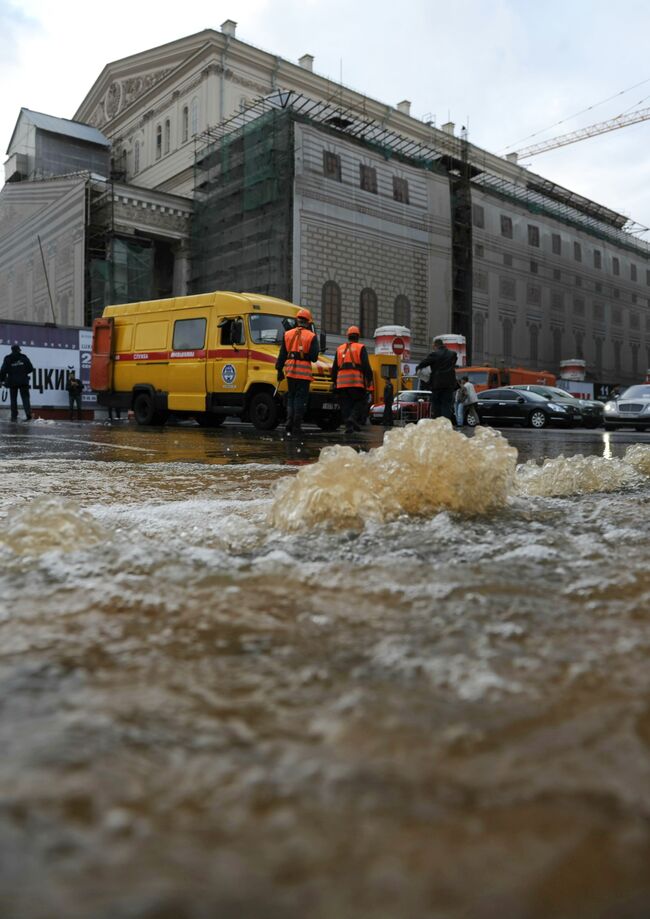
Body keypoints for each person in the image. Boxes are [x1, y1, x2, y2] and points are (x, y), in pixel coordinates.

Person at [276, 308, 319, 436]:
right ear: (308, 322)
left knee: (291, 397)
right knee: (300, 399)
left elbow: (282, 354)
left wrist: (279, 370)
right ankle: (296, 426)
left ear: (297, 320)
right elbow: (314, 357)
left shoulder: (287, 334)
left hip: (290, 372)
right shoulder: (311, 336)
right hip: (303, 373)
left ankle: (289, 423)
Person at [331, 326, 373, 434]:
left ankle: (349, 426)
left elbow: (335, 367)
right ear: (357, 337)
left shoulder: (340, 349)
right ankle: (352, 419)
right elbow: (366, 365)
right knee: (360, 401)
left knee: (346, 404)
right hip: (355, 381)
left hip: (341, 383)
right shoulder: (360, 347)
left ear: (348, 336)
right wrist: (369, 378)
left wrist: (334, 381)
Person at [415, 337, 458, 422]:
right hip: (449, 385)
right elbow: (454, 362)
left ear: (435, 346)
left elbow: (422, 363)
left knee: (436, 406)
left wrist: (418, 369)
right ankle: (446, 425)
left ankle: (438, 424)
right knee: (447, 406)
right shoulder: (453, 354)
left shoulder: (434, 355)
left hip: (437, 385)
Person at [0, 343, 34, 422]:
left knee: (13, 399)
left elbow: (3, 371)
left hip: (12, 381)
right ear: (19, 350)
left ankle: (14, 416)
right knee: (25, 398)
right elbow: (31, 368)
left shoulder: (8, 358)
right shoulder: (24, 357)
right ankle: (28, 414)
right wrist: (23, 372)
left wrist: (1, 380)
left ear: (12, 350)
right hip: (23, 381)